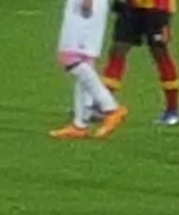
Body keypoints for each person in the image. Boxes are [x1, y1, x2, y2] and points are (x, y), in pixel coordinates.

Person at [49, 0, 129, 139]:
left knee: (71, 58)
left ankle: (111, 108)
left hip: (84, 8)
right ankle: (79, 124)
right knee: (84, 62)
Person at [101, 0, 179, 125]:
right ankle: (103, 105)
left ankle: (173, 109)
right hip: (130, 7)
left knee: (160, 54)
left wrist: (166, 17)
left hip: (156, 9)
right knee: (117, 51)